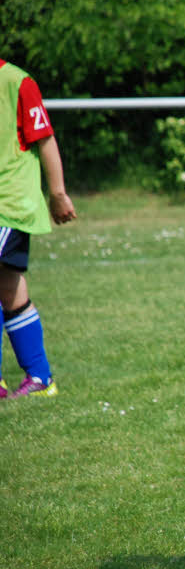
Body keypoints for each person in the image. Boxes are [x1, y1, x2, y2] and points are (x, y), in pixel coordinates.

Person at [0, 59, 76, 400]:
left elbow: (44, 138)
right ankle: (39, 378)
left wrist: (57, 193)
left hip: (8, 202)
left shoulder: (17, 81)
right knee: (9, 287)